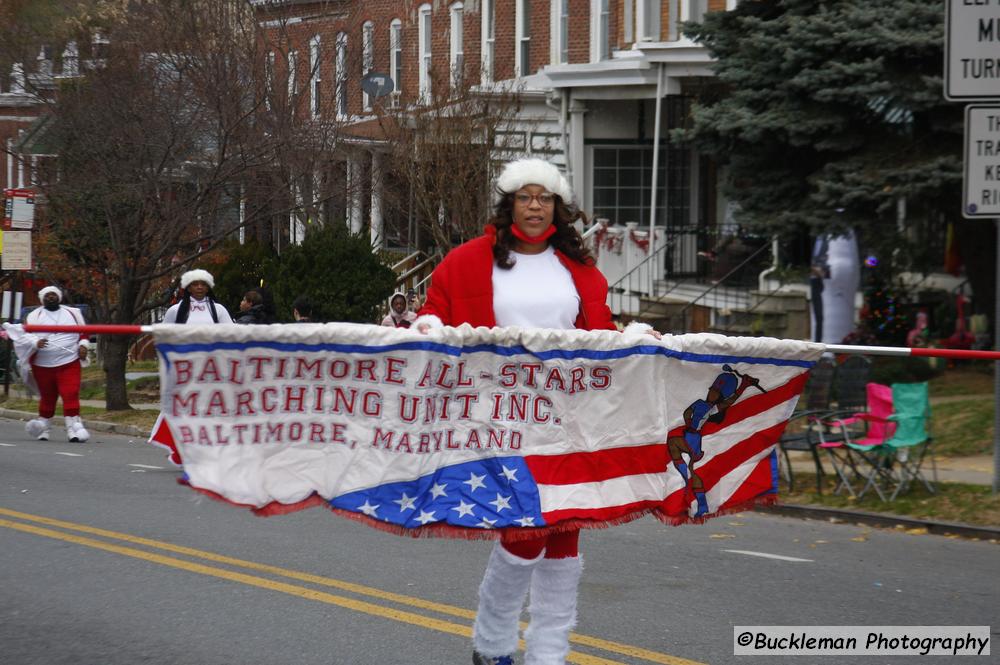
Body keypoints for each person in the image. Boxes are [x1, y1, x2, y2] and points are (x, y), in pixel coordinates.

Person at [414, 157, 657, 665]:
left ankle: (549, 651)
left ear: (557, 208)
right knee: (526, 527)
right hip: (497, 414)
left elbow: (599, 331)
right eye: (525, 197)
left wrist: (631, 338)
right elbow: (433, 311)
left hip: (568, 415)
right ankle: (493, 640)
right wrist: (428, 329)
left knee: (565, 529)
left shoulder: (579, 269)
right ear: (508, 205)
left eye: (543, 198)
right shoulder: (467, 260)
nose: (534, 206)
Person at [18, 287, 91, 442]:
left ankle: (74, 429)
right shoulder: (33, 315)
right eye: (47, 296)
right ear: (42, 299)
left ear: (59, 297)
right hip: (42, 365)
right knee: (47, 396)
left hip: (69, 361)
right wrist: (36, 343)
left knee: (70, 393)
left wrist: (83, 345)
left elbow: (84, 332)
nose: (51, 298)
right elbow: (25, 337)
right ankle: (43, 428)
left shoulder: (73, 313)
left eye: (53, 295)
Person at [162, 269, 233, 325]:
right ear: (189, 288)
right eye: (195, 284)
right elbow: (164, 336)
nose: (200, 287)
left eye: (203, 284)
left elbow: (231, 333)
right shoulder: (174, 310)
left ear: (208, 288)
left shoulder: (219, 309)